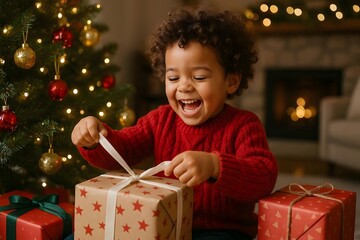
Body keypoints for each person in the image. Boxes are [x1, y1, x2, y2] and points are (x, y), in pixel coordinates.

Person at [71, 8, 278, 240]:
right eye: (173, 78)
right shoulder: (160, 119)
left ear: (230, 81)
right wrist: (95, 139)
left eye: (199, 77)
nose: (184, 86)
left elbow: (263, 177)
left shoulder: (244, 125)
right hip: (165, 223)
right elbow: (123, 150)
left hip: (220, 231)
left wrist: (214, 166)